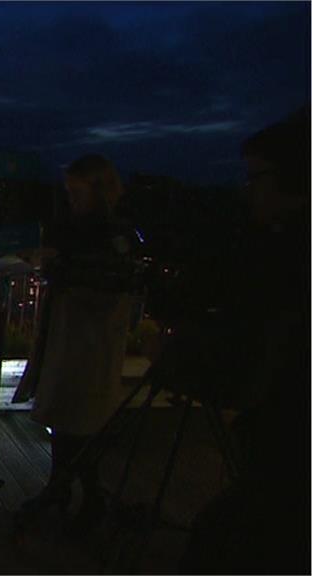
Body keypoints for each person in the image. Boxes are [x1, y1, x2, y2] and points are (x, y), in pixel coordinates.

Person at [180, 107, 310, 573]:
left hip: (285, 449)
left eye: (255, 177)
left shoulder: (285, 260)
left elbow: (256, 359)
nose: (247, 190)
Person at [13, 154, 137, 532]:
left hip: (89, 346)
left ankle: (80, 498)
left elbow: (110, 286)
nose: (72, 201)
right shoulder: (89, 232)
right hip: (72, 341)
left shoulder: (110, 235)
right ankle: (66, 492)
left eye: (77, 193)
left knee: (79, 426)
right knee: (67, 425)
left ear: (98, 190)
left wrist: (59, 267)